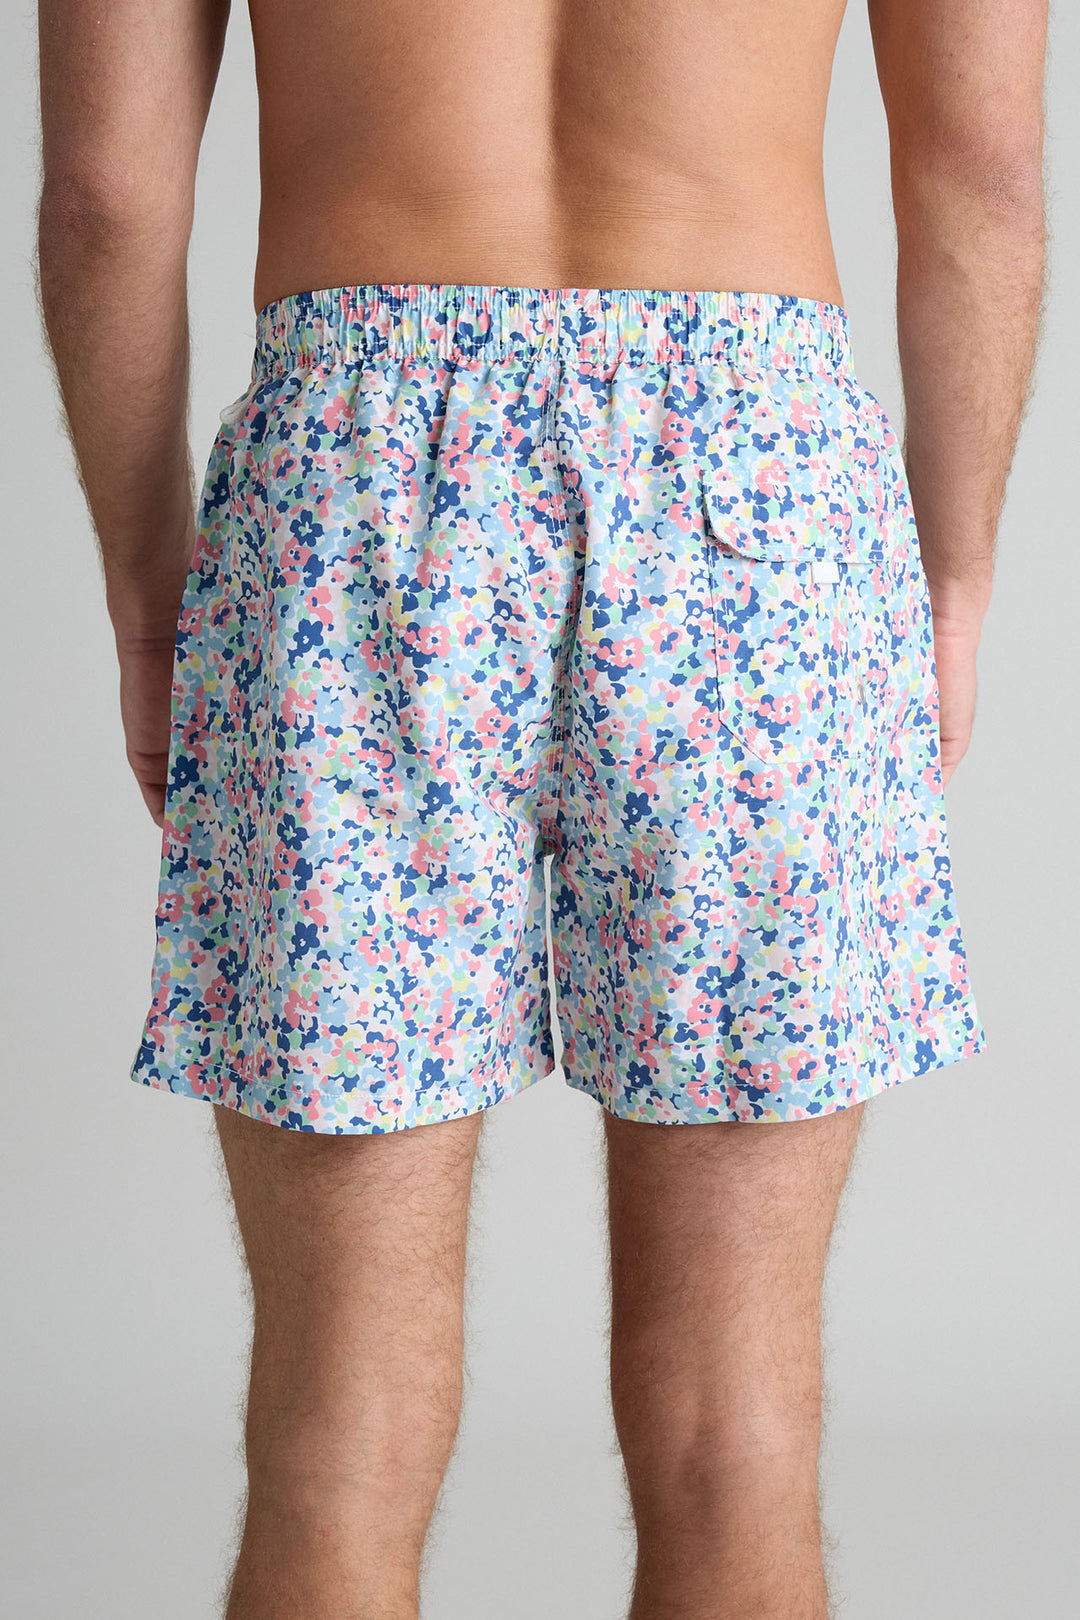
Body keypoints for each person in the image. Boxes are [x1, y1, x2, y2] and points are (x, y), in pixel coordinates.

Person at [36, 1, 1046, 1615]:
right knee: (736, 1429)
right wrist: (959, 576)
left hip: (353, 476)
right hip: (756, 486)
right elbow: (983, 174)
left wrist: (154, 596)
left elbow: (105, 195)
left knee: (339, 1433)